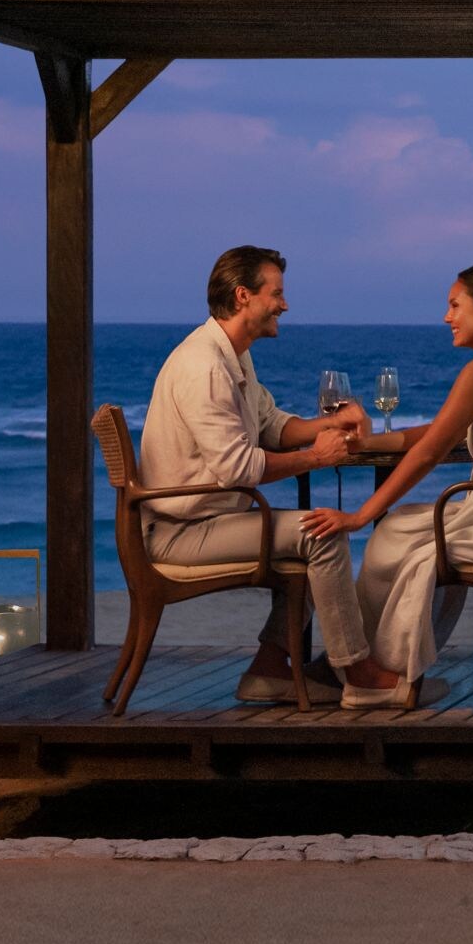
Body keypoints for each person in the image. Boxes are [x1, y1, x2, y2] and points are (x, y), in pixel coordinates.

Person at [302, 262, 473, 711]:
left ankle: (372, 673)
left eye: (455, 305)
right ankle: (366, 668)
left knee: (390, 539)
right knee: (401, 528)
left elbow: (427, 454)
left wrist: (359, 516)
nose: (447, 317)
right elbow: (437, 432)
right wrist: (365, 443)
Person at [138, 244, 378, 704]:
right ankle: (358, 673)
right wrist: (317, 458)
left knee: (315, 526)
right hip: (180, 531)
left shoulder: (232, 354)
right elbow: (238, 467)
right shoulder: (204, 365)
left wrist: (330, 423)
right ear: (243, 296)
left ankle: (270, 668)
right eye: (278, 293)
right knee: (323, 533)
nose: (284, 305)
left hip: (209, 519)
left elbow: (270, 424)